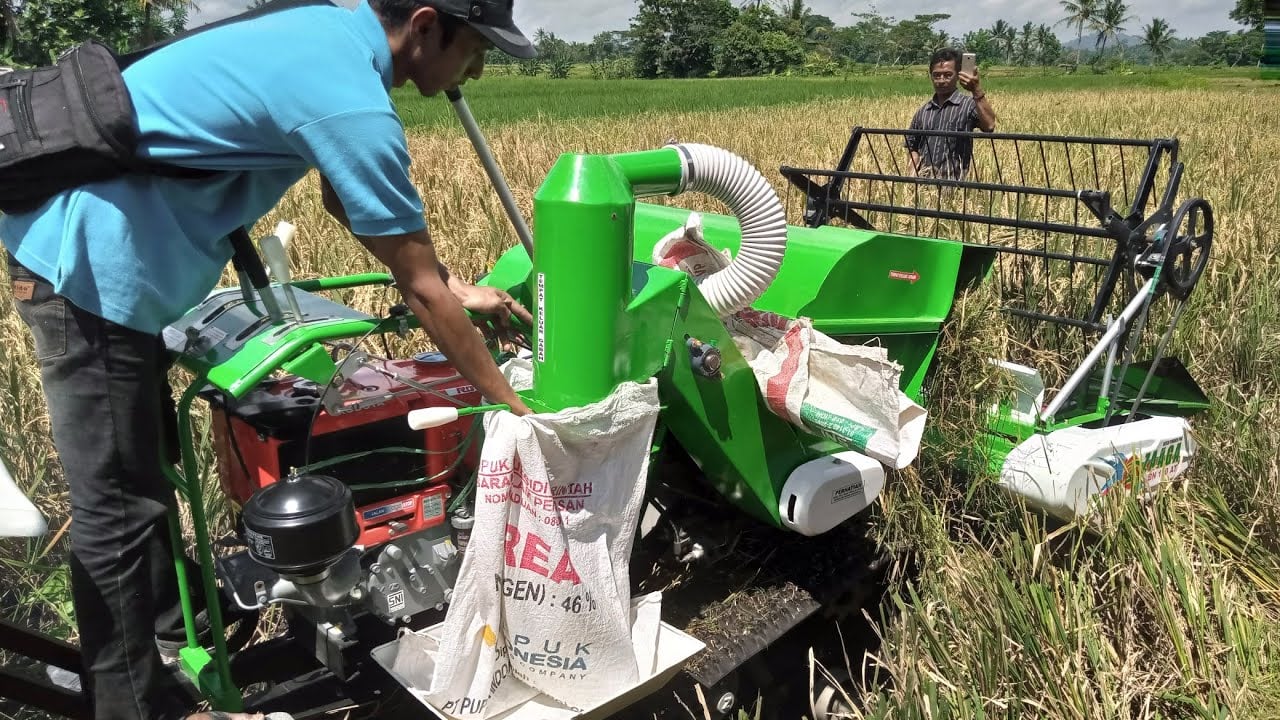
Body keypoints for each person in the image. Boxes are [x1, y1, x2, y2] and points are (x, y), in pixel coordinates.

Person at [0, 0, 538, 718]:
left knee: (145, 481)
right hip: (91, 273)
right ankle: (136, 706)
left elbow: (352, 206)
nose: (476, 68)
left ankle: (169, 635)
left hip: (112, 266)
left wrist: (454, 288)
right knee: (119, 510)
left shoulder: (328, 35)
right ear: (427, 22)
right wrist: (515, 404)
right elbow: (417, 287)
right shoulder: (350, 99)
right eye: (477, 48)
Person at [904, 47, 997, 180]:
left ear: (958, 75)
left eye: (948, 75)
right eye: (936, 75)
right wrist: (913, 175)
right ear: (931, 76)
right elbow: (912, 145)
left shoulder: (968, 105)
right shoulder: (923, 111)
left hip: (955, 185)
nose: (941, 80)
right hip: (924, 185)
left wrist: (976, 89)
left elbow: (989, 126)